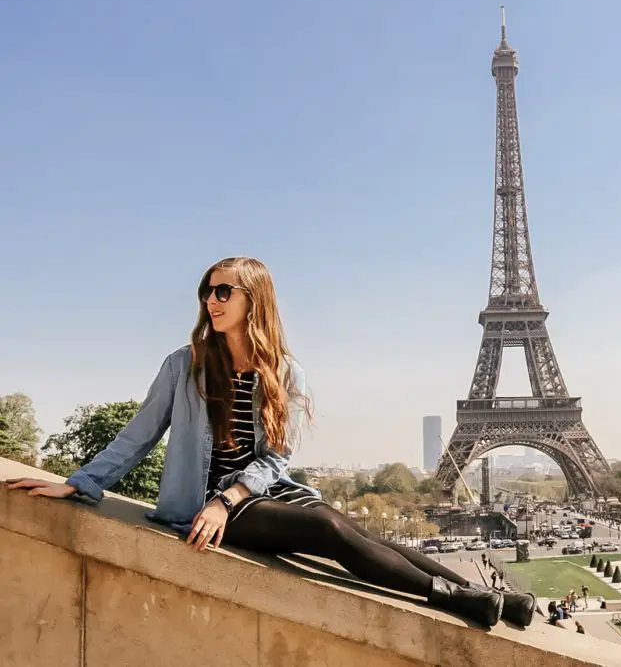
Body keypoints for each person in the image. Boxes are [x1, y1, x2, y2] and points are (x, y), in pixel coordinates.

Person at [5, 257, 537, 629]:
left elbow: (276, 456)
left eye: (223, 291)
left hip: (252, 492)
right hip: (203, 502)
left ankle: (488, 598)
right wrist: (81, 482)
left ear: (252, 299)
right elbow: (138, 436)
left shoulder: (285, 372)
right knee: (328, 525)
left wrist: (232, 497)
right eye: (206, 291)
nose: (209, 300)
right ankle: (451, 598)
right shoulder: (183, 364)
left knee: (353, 528)